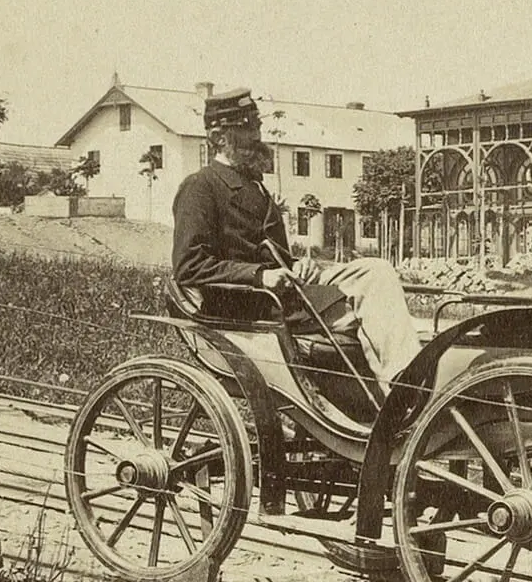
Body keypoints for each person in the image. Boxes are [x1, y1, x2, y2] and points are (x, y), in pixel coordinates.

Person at [172, 87, 420, 393]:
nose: (256, 136)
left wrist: (302, 264)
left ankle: (405, 380)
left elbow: (279, 257)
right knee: (370, 304)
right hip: (250, 305)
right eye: (246, 128)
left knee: (376, 270)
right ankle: (404, 390)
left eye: (257, 126)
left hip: (285, 292)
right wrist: (260, 276)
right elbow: (189, 266)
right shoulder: (200, 187)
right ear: (218, 138)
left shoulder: (257, 188)